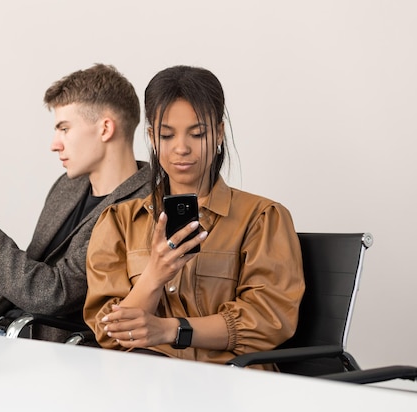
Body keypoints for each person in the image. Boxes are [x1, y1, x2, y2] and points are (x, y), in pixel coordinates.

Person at [83, 65, 305, 367]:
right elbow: (108, 334)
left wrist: (171, 330)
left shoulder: (263, 218)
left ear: (219, 133)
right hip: (144, 386)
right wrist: (154, 276)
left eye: (197, 133)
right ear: (151, 137)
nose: (182, 148)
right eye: (167, 135)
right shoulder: (118, 222)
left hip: (232, 386)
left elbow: (268, 320)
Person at [0, 64, 151, 343]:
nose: (54, 144)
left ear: (105, 128)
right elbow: (33, 280)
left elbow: (53, 294)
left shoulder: (141, 205)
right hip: (3, 333)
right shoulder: (68, 186)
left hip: (44, 349)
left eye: (64, 128)